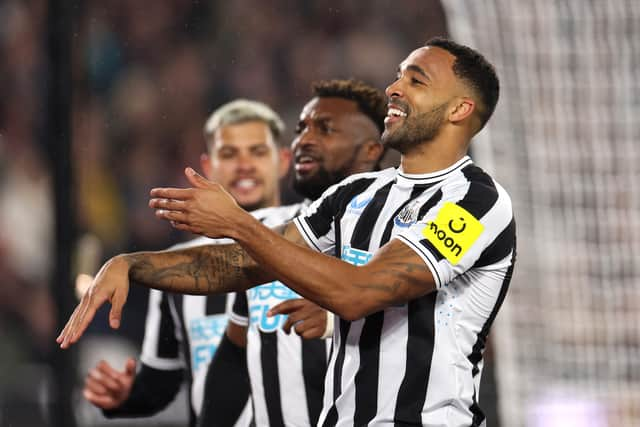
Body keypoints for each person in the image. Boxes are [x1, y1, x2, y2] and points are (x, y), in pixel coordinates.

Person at [60, 37, 516, 427]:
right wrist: (131, 265)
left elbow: (358, 293)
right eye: (398, 76)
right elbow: (242, 264)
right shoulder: (357, 194)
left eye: (416, 81)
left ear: (460, 108)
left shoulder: (477, 202)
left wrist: (238, 222)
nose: (394, 88)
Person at [81, 99, 291, 427]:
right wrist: (127, 399)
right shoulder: (174, 268)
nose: (245, 165)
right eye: (229, 154)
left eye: (258, 152)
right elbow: (160, 382)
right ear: (207, 166)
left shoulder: (317, 240)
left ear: (283, 161)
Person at [201, 79, 386, 427]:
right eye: (302, 129)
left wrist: (337, 319)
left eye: (325, 129)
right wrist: (130, 265)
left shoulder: (404, 228)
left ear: (371, 150)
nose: (304, 140)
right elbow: (235, 352)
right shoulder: (264, 232)